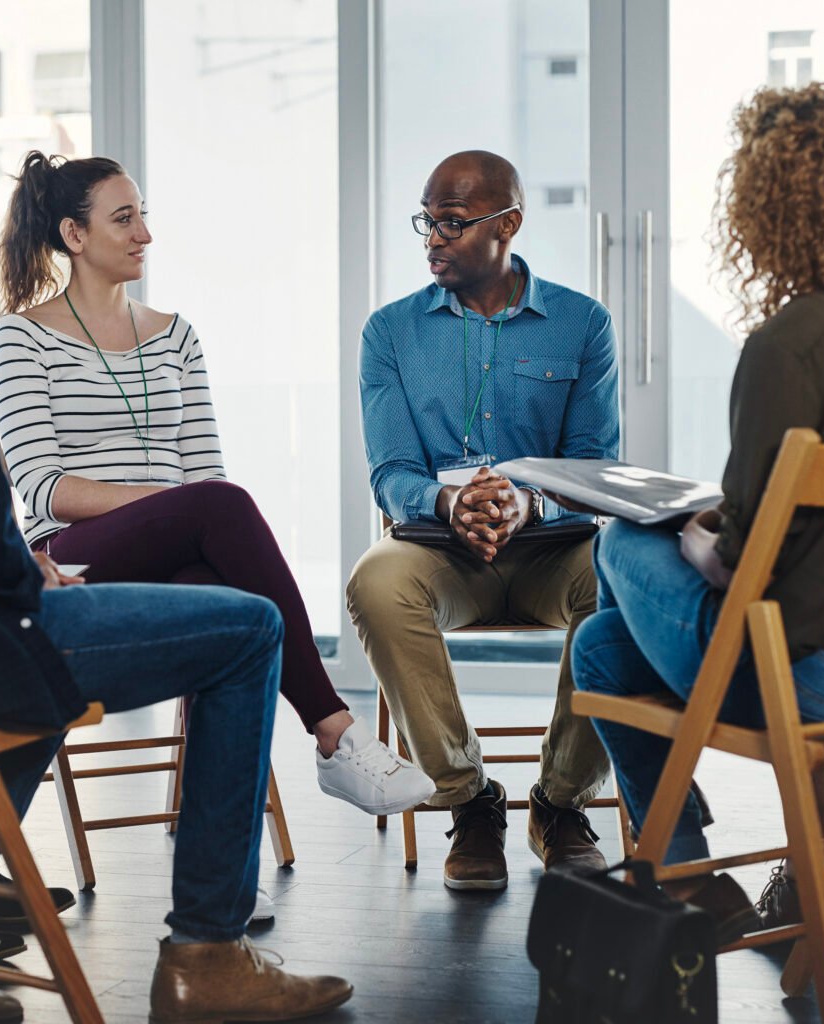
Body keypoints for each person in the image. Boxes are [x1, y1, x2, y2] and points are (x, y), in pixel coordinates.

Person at [0, 46, 352, 1022]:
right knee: (246, 627)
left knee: (144, 573)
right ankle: (204, 956)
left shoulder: (167, 330)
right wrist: (32, 574)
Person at [0, 150, 434, 828]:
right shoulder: (23, 337)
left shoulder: (176, 337)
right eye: (124, 218)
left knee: (223, 598)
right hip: (73, 557)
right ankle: (334, 730)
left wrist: (180, 510)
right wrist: (167, 505)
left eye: (143, 216)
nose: (144, 234)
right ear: (73, 236)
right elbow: (45, 489)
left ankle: (220, 858)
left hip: (181, 543)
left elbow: (202, 475)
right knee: (219, 511)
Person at [571, 81, 824, 944]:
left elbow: (740, 557)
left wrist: (694, 535)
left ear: (768, 206)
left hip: (788, 675)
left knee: (618, 535)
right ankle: (693, 882)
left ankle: (683, 887)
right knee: (598, 649)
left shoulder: (788, 344)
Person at [347, 150, 620, 891]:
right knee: (375, 583)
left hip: (550, 551)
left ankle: (560, 805)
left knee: (626, 582)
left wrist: (528, 501)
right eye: (426, 222)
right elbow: (390, 470)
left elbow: (594, 469)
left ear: (508, 224)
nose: (433, 238)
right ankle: (470, 803)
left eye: (452, 223)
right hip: (440, 551)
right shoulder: (390, 333)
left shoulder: (581, 324)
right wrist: (448, 503)